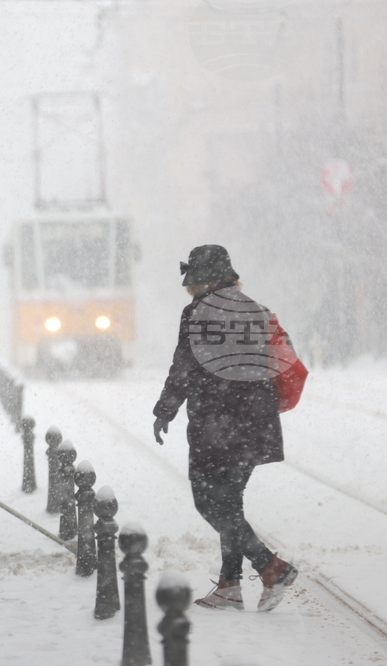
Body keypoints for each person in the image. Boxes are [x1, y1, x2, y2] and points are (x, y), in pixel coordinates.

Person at [152, 245, 298, 612]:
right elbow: (283, 358)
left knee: (209, 502)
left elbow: (183, 367)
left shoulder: (197, 313)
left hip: (216, 422)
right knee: (230, 504)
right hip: (257, 420)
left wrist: (165, 410)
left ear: (202, 280)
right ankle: (230, 587)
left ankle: (270, 567)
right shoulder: (258, 310)